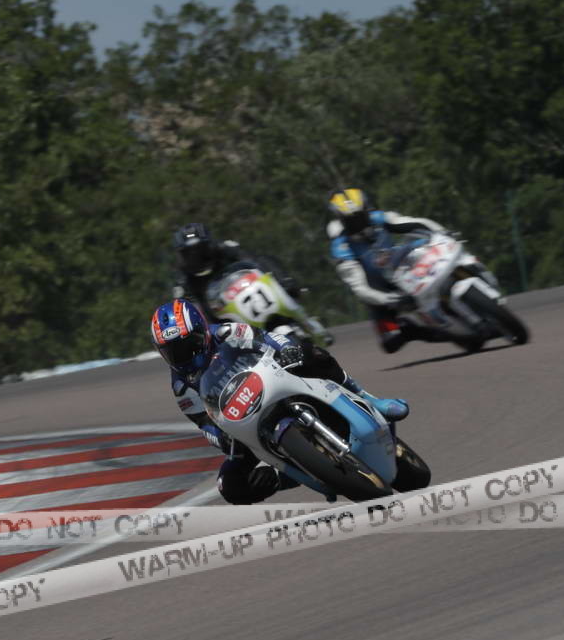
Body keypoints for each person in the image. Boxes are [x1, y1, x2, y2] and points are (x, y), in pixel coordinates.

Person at [151, 298, 408, 505]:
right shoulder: (181, 388)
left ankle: (368, 398)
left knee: (312, 353)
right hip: (239, 421)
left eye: (189, 344)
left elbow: (267, 338)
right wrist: (221, 438)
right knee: (229, 485)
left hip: (273, 380)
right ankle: (281, 476)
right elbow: (204, 424)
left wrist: (287, 350)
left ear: (203, 331)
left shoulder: (227, 332)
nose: (183, 355)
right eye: (172, 352)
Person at [326, 187, 453, 353]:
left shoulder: (380, 218)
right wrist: (389, 299)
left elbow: (416, 222)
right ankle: (419, 330)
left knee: (434, 250)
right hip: (381, 291)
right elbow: (359, 288)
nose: (358, 223)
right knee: (391, 341)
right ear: (341, 220)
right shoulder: (341, 247)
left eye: (360, 216)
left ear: (366, 209)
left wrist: (442, 233)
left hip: (405, 269)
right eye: (351, 220)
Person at [171, 223, 302, 322]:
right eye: (190, 253)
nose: (197, 257)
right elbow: (186, 314)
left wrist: (283, 280)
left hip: (259, 297)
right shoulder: (183, 282)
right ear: (182, 255)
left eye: (201, 249)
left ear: (210, 244)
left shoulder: (226, 248)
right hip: (228, 326)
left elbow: (257, 260)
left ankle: (307, 324)